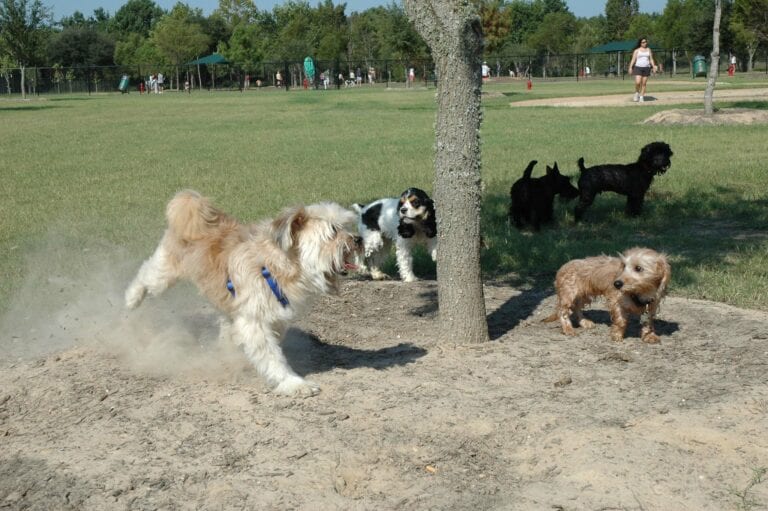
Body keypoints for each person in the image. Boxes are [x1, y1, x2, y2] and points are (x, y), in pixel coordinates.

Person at [628, 37, 657, 103]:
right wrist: (630, 67)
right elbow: (633, 59)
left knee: (644, 83)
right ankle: (636, 93)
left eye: (645, 42)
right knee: (638, 82)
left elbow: (651, 59)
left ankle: (641, 97)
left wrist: (653, 66)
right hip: (638, 67)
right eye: (643, 42)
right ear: (640, 43)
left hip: (646, 68)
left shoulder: (648, 49)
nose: (645, 43)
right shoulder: (637, 50)